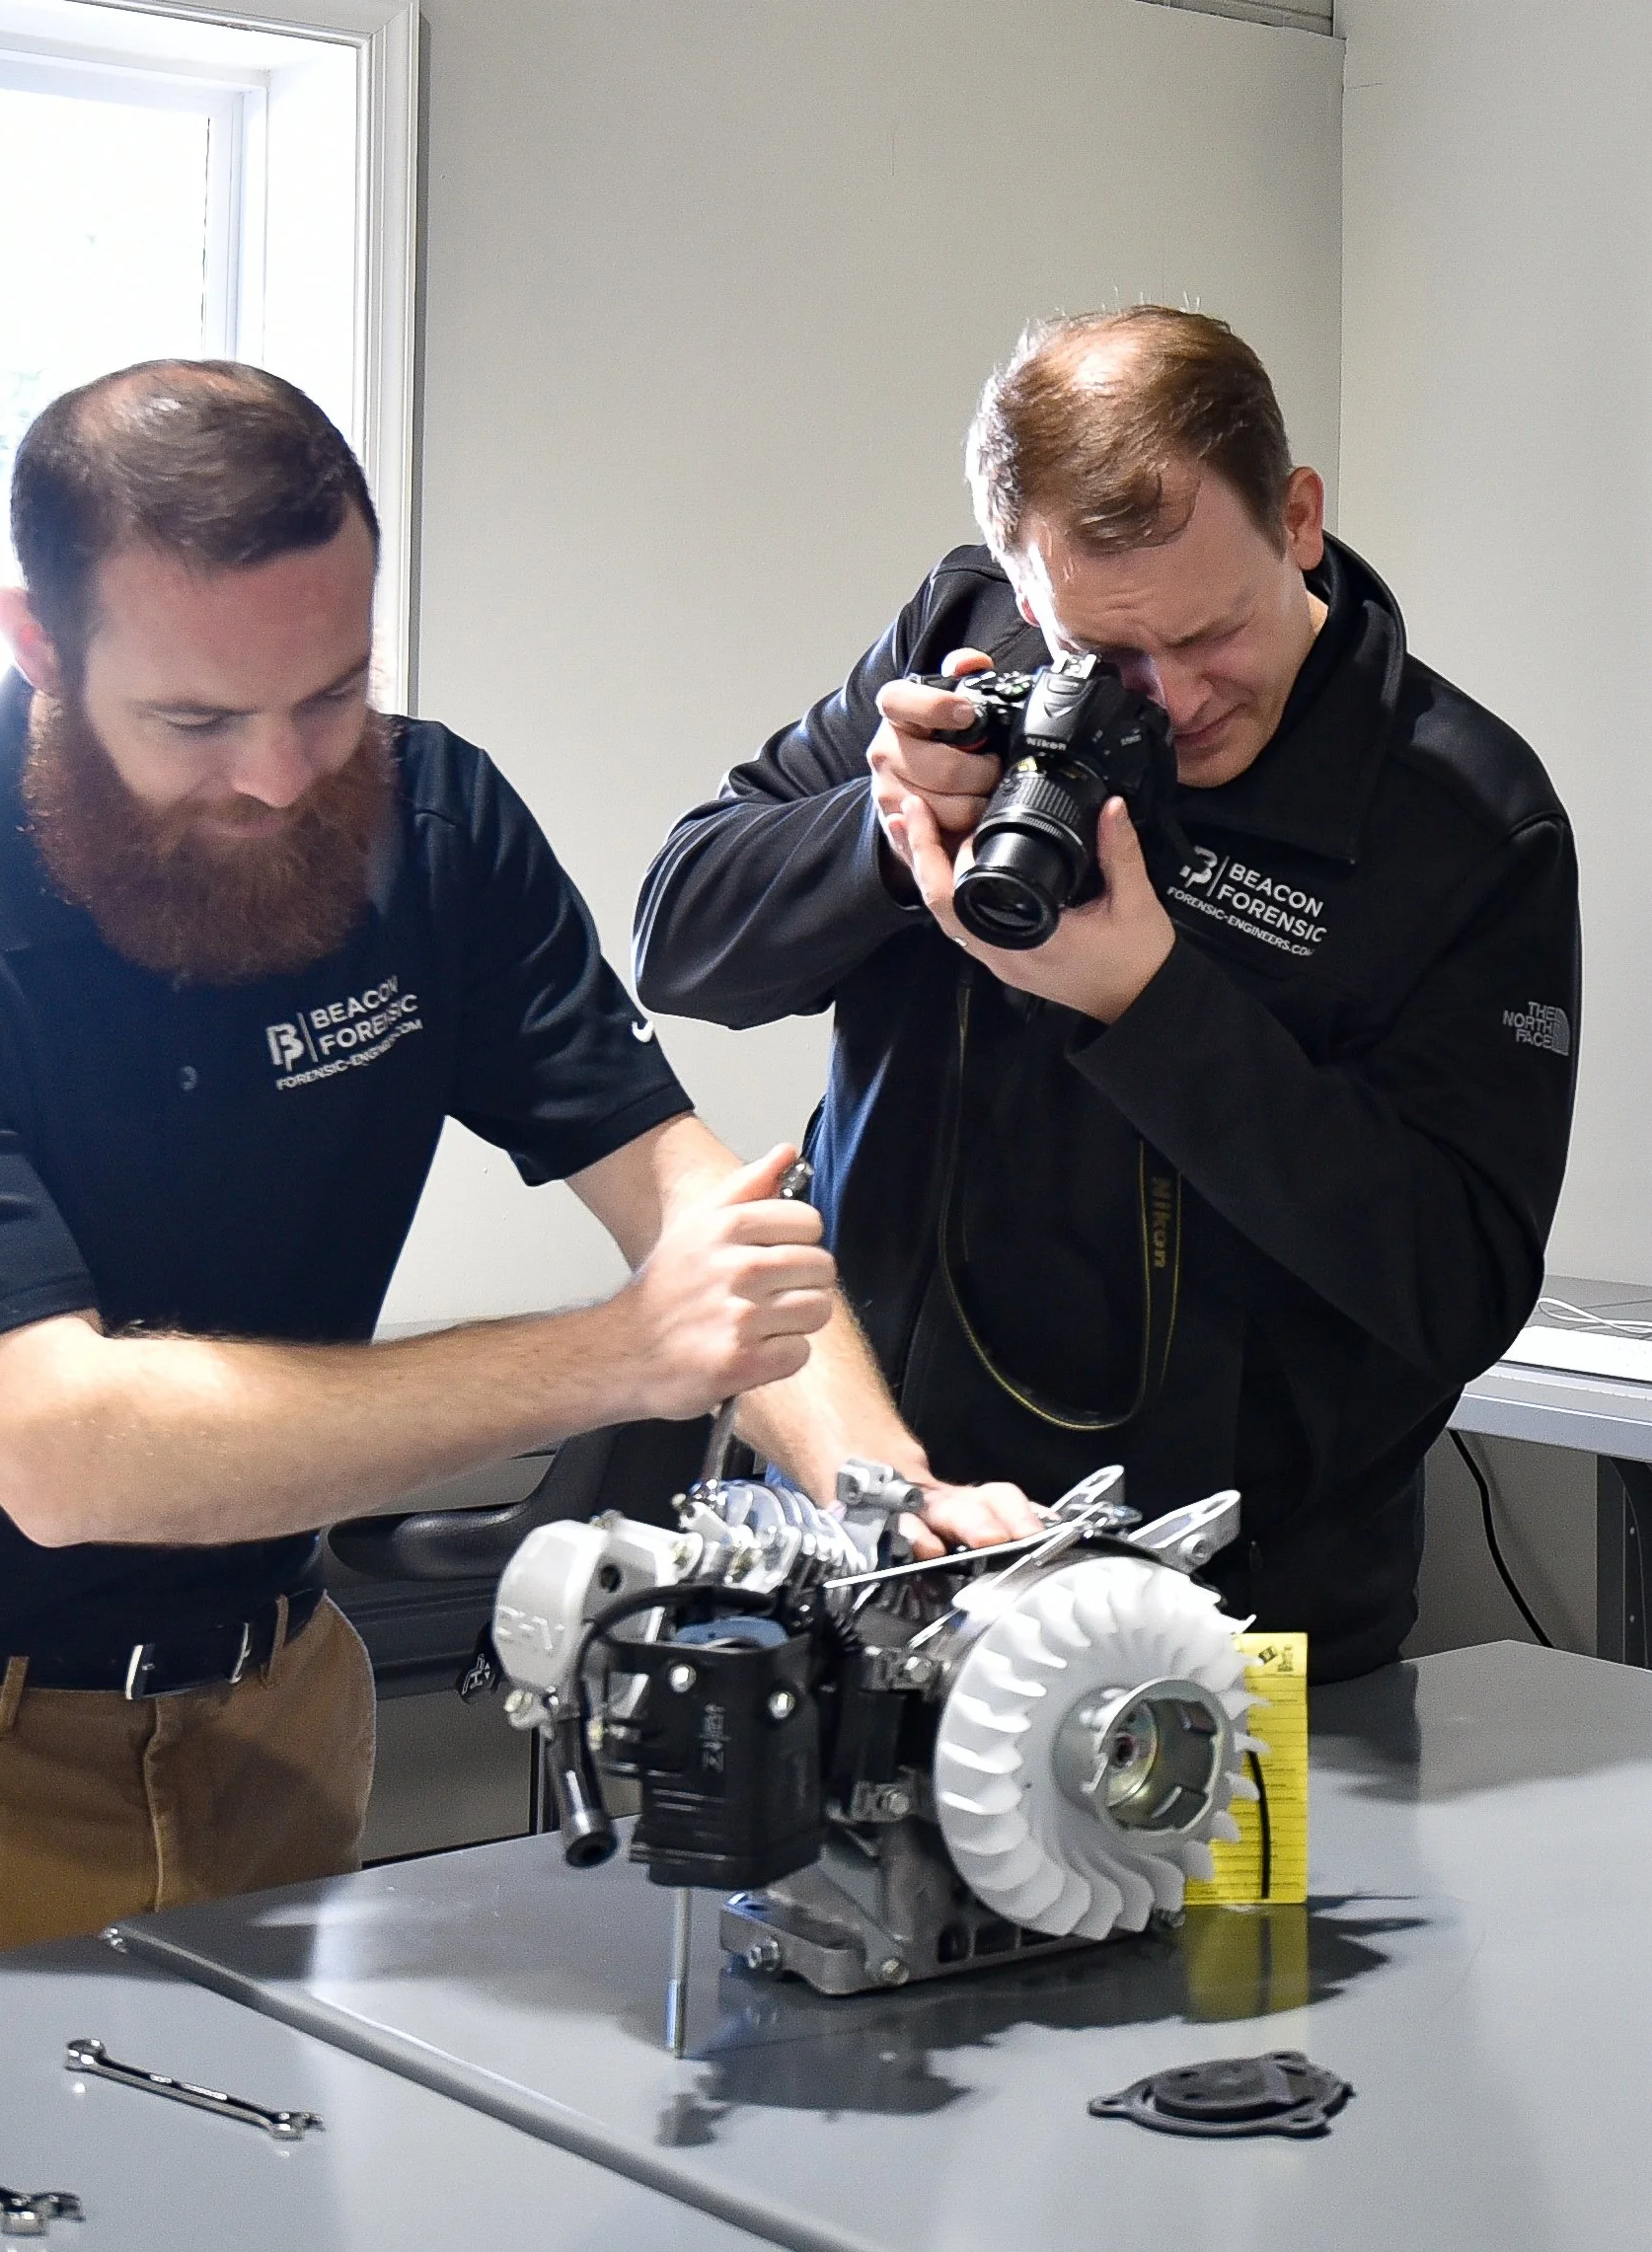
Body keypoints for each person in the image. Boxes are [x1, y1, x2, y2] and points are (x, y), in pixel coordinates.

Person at [0, 360, 1034, 2009]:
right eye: (195, 719)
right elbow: (58, 1441)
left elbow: (686, 1198)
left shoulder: (432, 820)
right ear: (36, 642)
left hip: (280, 1727)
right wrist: (618, 1353)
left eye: (328, 692)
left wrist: (888, 1504)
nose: (280, 774)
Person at [637, 307, 1580, 1683]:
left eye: (1212, 632)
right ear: (1027, 591)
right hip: (888, 1550)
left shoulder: (1465, 819)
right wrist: (882, 836)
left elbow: (1457, 1283)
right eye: (1111, 653)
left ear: (1299, 519)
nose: (1176, 697)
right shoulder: (967, 644)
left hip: (1234, 1626)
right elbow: (680, 936)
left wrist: (1145, 1004)